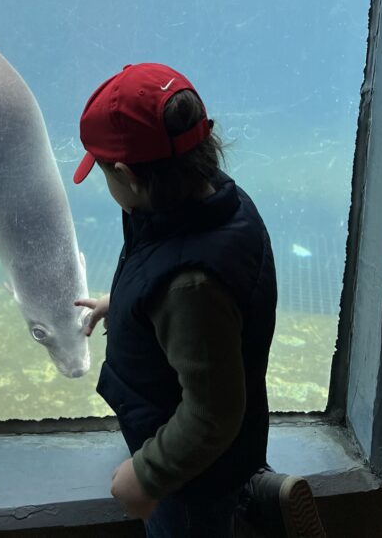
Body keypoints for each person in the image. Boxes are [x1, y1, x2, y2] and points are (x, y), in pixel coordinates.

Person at [72, 63, 326, 538]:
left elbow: (212, 412)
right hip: (222, 440)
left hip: (189, 478)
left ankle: (250, 508)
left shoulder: (190, 285)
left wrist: (146, 475)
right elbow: (164, 274)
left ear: (126, 175)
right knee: (228, 478)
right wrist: (124, 303)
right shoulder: (214, 206)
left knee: (196, 521)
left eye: (104, 172)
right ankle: (254, 497)